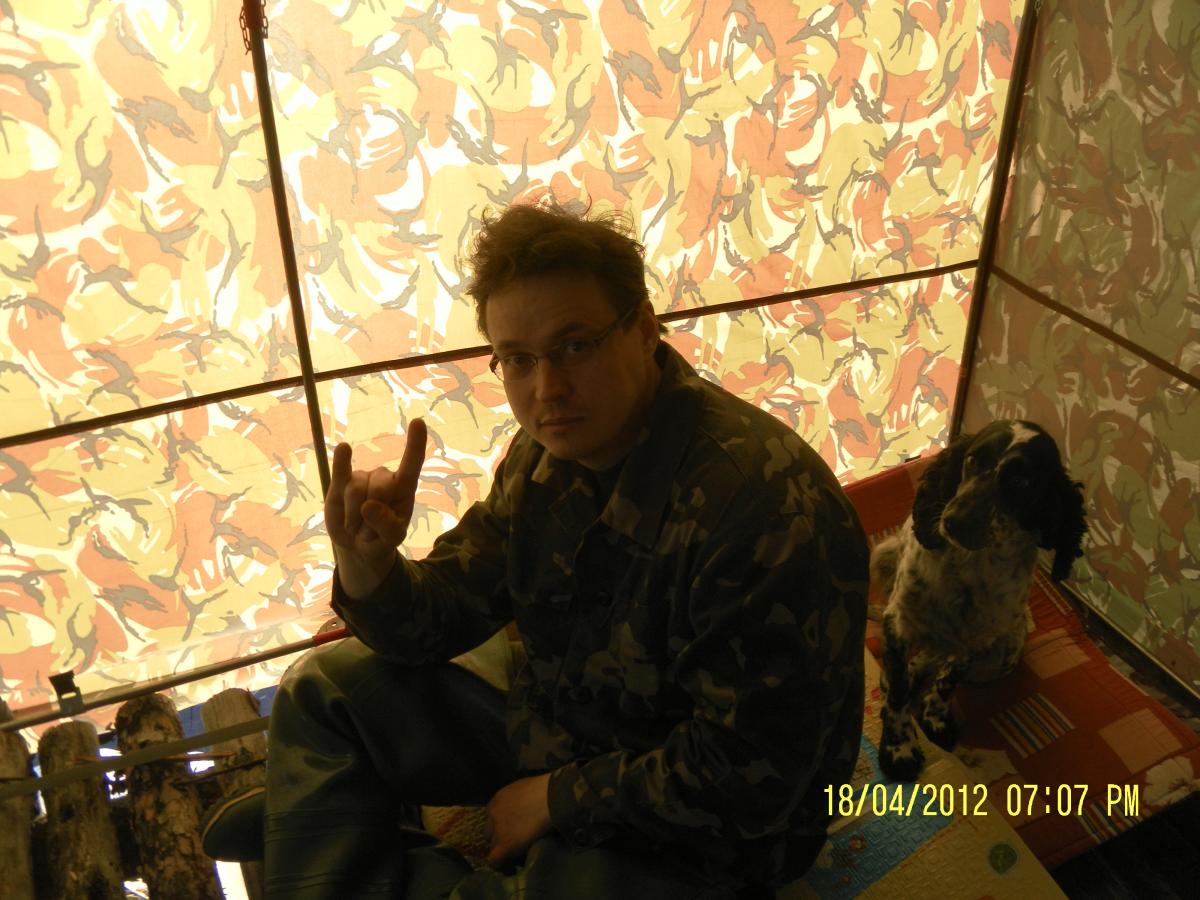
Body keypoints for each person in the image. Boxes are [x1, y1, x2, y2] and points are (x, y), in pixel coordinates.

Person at [261, 201, 868, 898]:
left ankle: (324, 835)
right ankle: (337, 842)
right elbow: (448, 609)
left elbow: (753, 779)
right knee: (324, 688)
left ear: (643, 329)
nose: (546, 390)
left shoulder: (761, 509)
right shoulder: (545, 455)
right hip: (564, 723)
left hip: (711, 827)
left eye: (575, 346)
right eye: (518, 360)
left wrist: (559, 800)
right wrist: (369, 567)